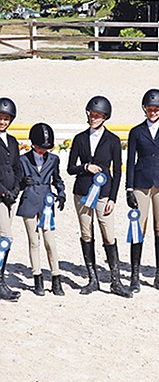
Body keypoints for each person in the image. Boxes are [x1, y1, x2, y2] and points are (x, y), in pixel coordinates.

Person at [67, 95, 132, 298]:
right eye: (92, 114)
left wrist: (113, 198)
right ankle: (92, 278)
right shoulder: (79, 139)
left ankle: (115, 280)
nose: (94, 118)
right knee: (87, 234)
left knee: (108, 234)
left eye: (98, 115)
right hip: (83, 193)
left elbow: (118, 172)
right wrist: (85, 166)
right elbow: (70, 168)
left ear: (105, 117)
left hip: (104, 194)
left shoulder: (113, 140)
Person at [125, 89, 159, 292]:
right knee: (137, 227)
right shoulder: (136, 132)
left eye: (156, 109)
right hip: (141, 182)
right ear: (145, 109)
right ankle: (134, 275)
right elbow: (130, 161)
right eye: (150, 108)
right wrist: (129, 188)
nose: (153, 112)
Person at [16, 123, 66, 296]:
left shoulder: (53, 160)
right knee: (33, 241)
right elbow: (17, 182)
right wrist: (23, 183)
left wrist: (61, 193)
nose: (43, 150)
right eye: (39, 147)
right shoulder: (23, 160)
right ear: (33, 143)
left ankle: (56, 278)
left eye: (45, 148)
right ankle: (37, 277)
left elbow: (57, 179)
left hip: (46, 202)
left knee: (50, 241)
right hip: (29, 200)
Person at [0, 97, 22, 301]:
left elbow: (17, 168)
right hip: (0, 196)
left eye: (6, 119)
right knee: (6, 238)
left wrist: (15, 189)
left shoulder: (13, 141)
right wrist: (4, 192)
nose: (3, 121)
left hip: (10, 197)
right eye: (0, 118)